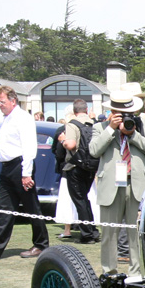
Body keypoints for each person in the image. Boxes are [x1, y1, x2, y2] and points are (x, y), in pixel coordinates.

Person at [0, 86, 49, 260]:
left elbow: (29, 146)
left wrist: (26, 173)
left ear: (13, 100)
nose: (0, 105)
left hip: (20, 166)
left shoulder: (23, 118)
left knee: (31, 207)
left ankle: (41, 244)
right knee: (5, 208)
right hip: (6, 168)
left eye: (2, 101)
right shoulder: (7, 119)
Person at [90, 92, 145, 280]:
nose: (123, 115)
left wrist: (133, 134)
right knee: (109, 233)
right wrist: (111, 129)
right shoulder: (100, 127)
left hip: (136, 184)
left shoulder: (142, 126)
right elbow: (94, 151)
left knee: (136, 232)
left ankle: (136, 272)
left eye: (127, 111)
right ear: (112, 111)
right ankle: (109, 272)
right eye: (119, 112)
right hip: (111, 185)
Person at [59, 98, 99, 244]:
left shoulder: (72, 124)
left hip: (75, 167)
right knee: (85, 199)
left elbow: (71, 144)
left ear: (74, 112)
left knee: (79, 200)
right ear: (86, 110)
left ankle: (87, 234)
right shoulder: (93, 124)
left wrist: (63, 140)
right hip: (90, 166)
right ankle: (92, 230)